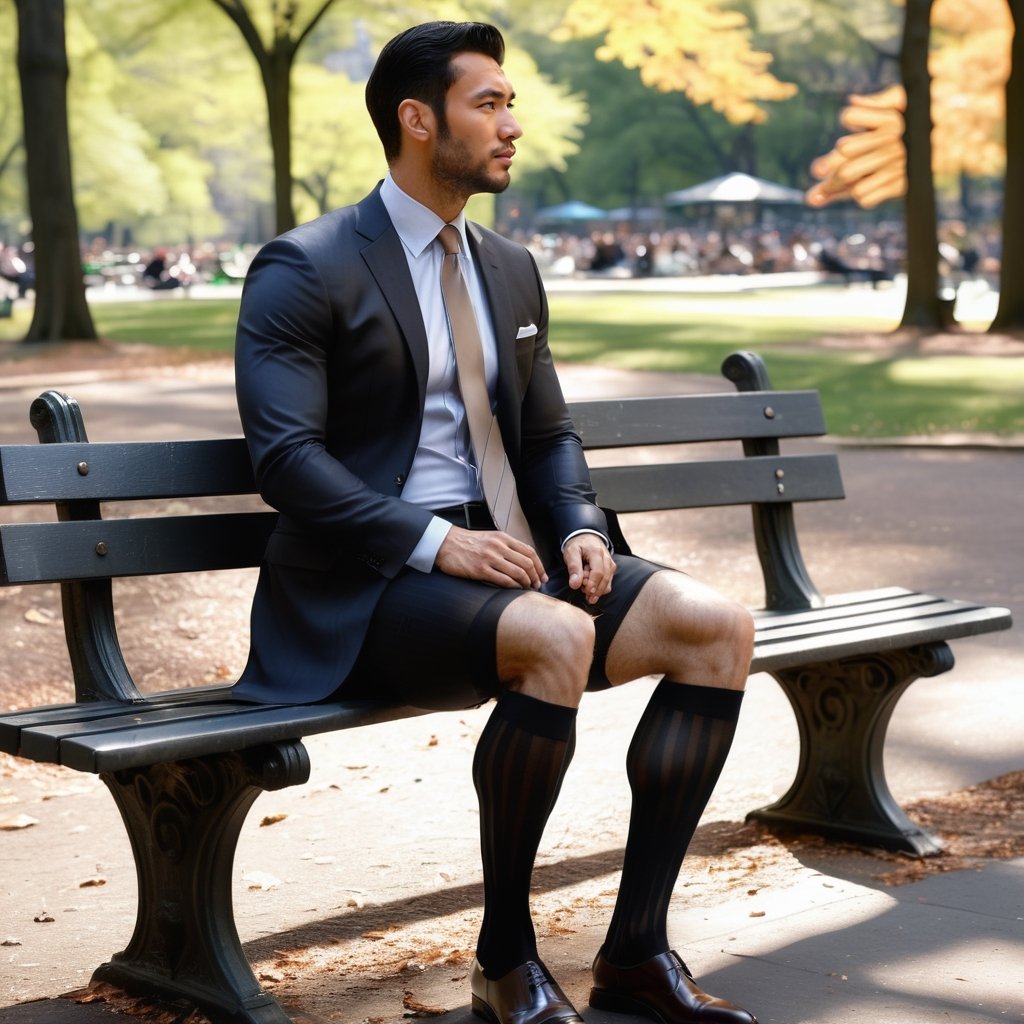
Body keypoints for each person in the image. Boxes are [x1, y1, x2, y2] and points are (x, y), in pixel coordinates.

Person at [233, 21, 757, 1024]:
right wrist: (439, 541)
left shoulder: (508, 266)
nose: (512, 125)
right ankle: (505, 959)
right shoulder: (305, 267)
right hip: (369, 582)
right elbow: (286, 462)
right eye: (489, 103)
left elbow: (548, 430)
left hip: (516, 558)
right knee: (556, 632)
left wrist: (578, 527)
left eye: (512, 103)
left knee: (717, 626)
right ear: (416, 120)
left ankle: (637, 955)